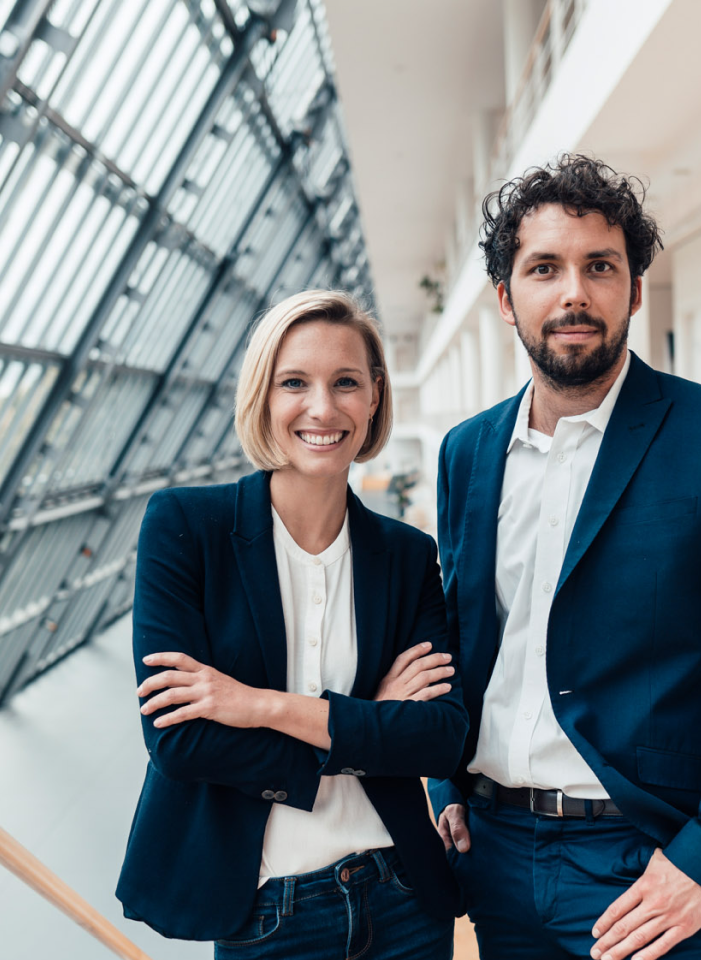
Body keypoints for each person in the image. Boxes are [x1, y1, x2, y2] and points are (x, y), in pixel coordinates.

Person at [428, 155, 701, 960]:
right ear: (507, 299)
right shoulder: (466, 453)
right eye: (545, 268)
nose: (574, 292)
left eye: (599, 267)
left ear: (633, 290)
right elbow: (460, 640)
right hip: (491, 853)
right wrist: (444, 783)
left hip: (640, 867)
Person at [117, 290, 467, 958]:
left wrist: (259, 706)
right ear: (263, 395)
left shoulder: (405, 555)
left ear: (374, 397)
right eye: (294, 383)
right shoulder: (186, 529)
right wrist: (366, 723)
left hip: (403, 899)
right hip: (264, 913)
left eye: (346, 383)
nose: (323, 408)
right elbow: (180, 743)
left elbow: (439, 738)